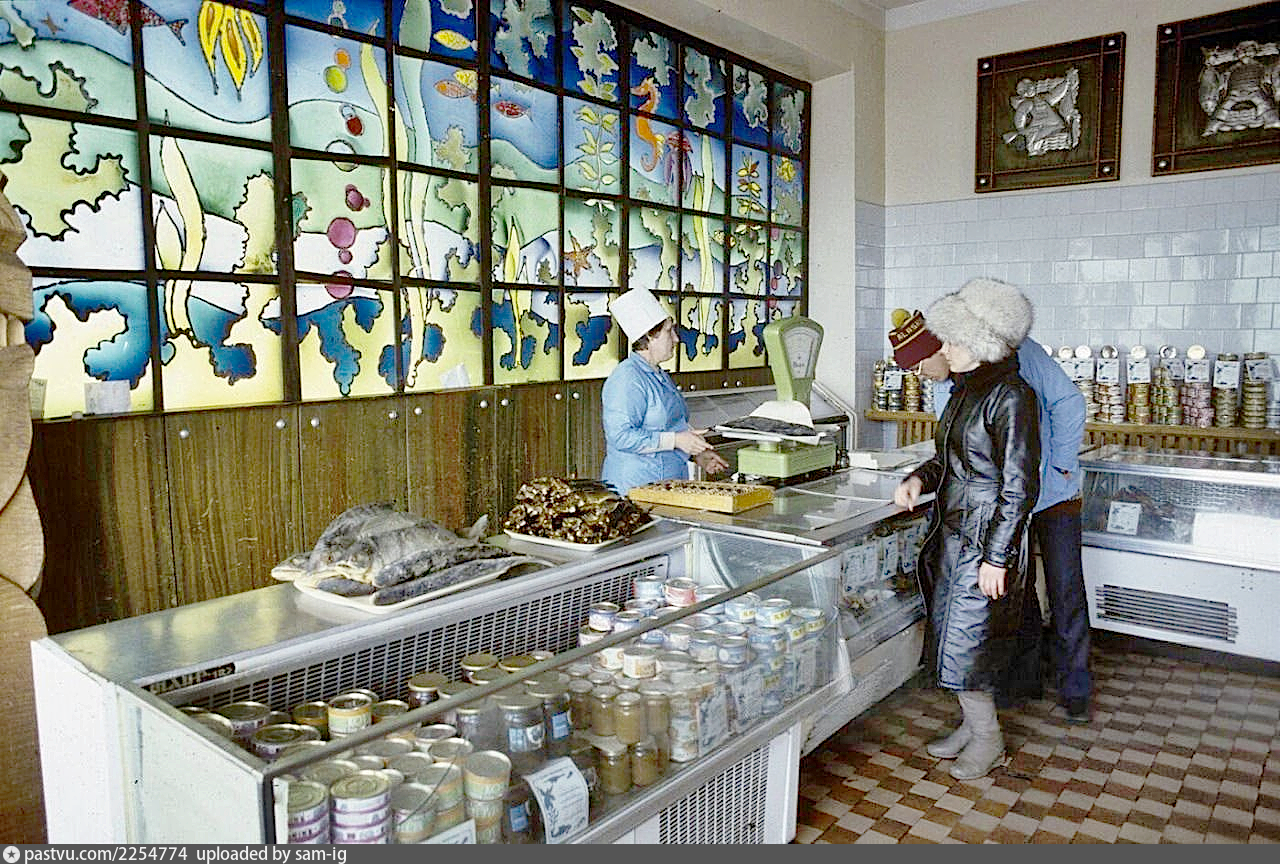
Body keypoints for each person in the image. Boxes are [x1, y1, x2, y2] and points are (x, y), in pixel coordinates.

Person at [890, 280, 1092, 723]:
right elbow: (959, 451)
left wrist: (1058, 468)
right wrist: (922, 477)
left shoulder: (1018, 360)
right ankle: (1021, 682)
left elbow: (1068, 403)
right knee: (1017, 595)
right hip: (1005, 502)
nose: (920, 375)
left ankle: (1075, 686)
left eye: (922, 364)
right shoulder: (954, 384)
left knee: (1064, 588)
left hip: (1051, 493)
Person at [892, 279, 1040, 780]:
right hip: (954, 534)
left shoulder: (1012, 397)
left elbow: (1019, 487)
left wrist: (998, 557)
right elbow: (949, 460)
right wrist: (919, 478)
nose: (945, 347)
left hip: (984, 541)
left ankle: (989, 739)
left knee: (970, 643)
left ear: (982, 343)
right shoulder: (965, 391)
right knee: (955, 641)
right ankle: (972, 726)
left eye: (955, 339)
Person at [601, 287, 729, 495]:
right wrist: (676, 440)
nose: (676, 339)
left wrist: (698, 453)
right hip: (635, 489)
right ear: (650, 336)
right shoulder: (627, 378)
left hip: (667, 486)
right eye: (669, 331)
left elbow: (673, 426)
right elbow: (621, 436)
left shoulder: (658, 374)